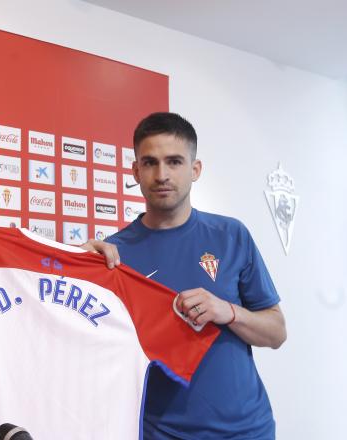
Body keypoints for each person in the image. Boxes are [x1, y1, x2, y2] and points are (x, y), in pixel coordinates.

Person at [91, 112, 287, 439]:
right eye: (150, 162)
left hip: (247, 430)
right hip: (159, 432)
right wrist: (76, 265)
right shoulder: (112, 254)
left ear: (195, 170)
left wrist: (229, 312)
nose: (162, 174)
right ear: (136, 171)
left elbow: (277, 333)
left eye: (175, 161)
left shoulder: (231, 235)